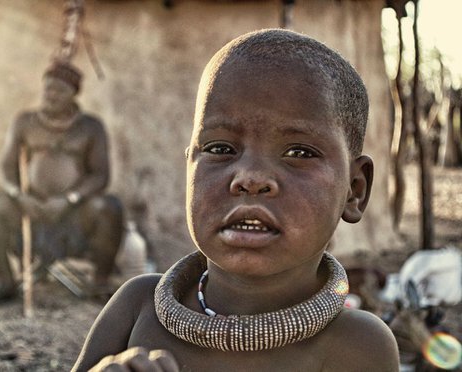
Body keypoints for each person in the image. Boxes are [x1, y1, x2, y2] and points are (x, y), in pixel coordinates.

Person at [72, 29, 400, 371]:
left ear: (355, 189)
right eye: (220, 149)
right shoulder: (137, 306)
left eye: (299, 152)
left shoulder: (357, 344)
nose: (250, 178)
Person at [0, 60, 124, 303]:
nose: (51, 95)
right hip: (29, 210)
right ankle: (5, 282)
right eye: (47, 89)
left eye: (59, 90)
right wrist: (18, 196)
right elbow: (6, 167)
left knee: (109, 207)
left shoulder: (90, 127)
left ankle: (100, 283)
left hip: (74, 213)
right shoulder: (24, 121)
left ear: (74, 94)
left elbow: (100, 176)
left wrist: (68, 200)